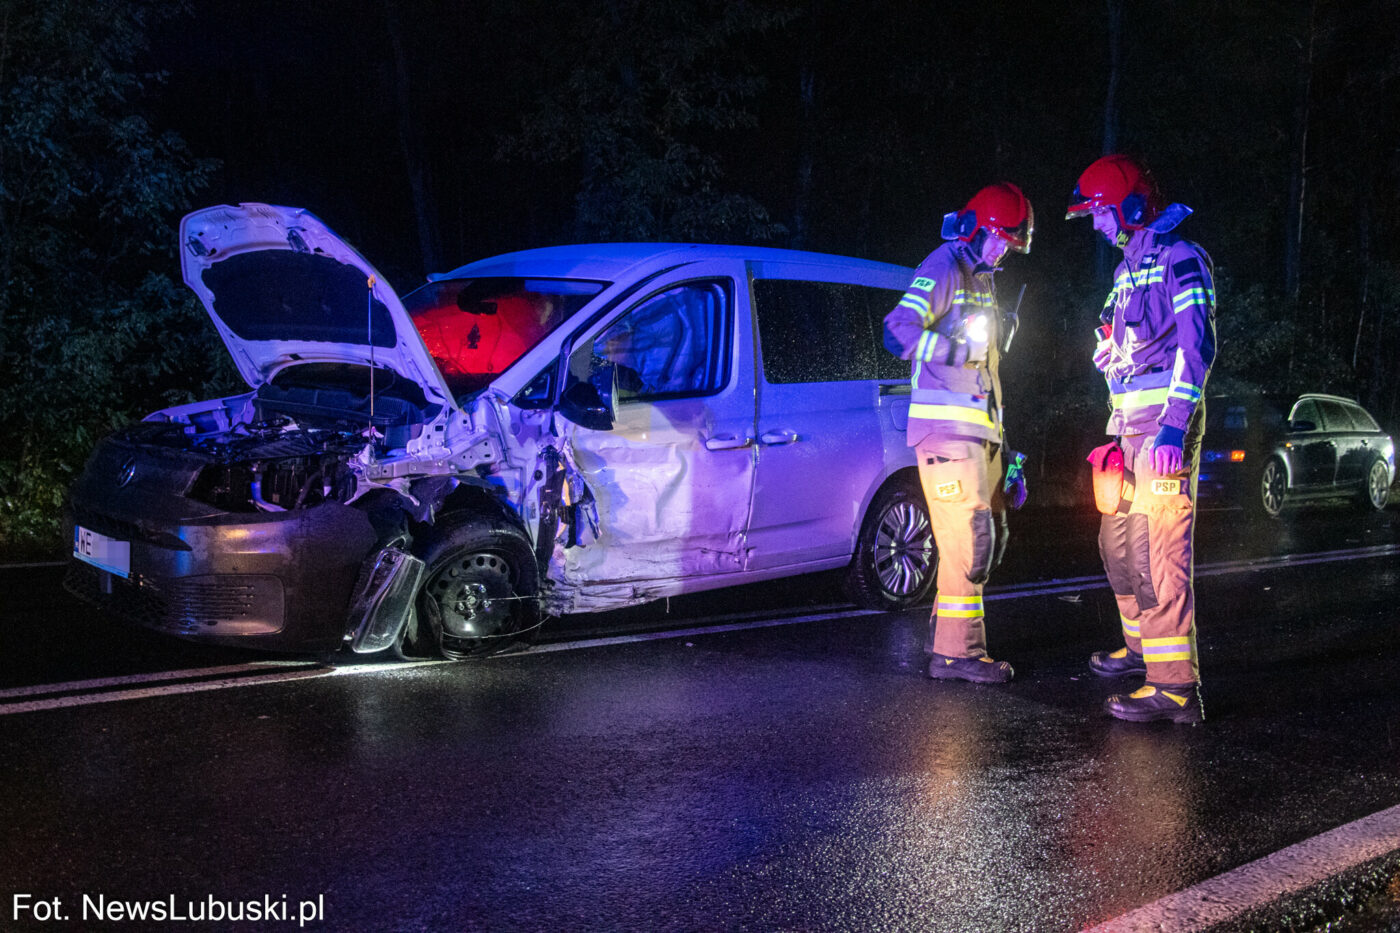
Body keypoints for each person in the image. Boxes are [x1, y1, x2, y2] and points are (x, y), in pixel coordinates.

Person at [1066, 154, 1217, 724]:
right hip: (1126, 429)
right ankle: (1140, 651)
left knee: (1159, 556)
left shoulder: (1181, 257)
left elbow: (1196, 347)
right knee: (1119, 548)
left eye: (1101, 213)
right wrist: (1106, 347)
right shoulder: (1125, 271)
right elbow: (1116, 331)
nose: (1096, 225)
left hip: (1162, 432)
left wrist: (1175, 423)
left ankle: (1175, 688)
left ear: (1131, 207)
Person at [883, 182, 1033, 684]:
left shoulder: (982, 279)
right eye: (1000, 240)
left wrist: (1007, 451)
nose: (1003, 252)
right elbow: (897, 331)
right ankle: (957, 655)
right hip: (947, 436)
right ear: (979, 228)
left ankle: (947, 641)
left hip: (977, 437)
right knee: (970, 540)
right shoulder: (944, 266)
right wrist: (956, 351)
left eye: (1010, 245)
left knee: (985, 538)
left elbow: (988, 378)